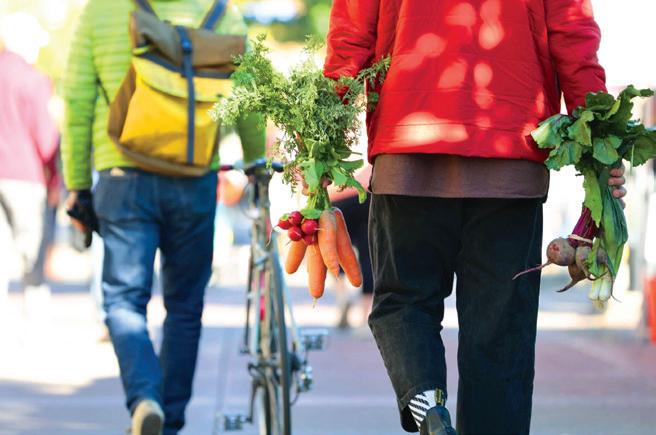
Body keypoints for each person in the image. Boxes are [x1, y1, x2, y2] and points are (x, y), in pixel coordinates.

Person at [323, 1, 627, 434]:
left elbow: (351, 36)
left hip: (409, 149)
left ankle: (427, 404)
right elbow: (573, 38)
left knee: (405, 301)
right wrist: (600, 144)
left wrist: (322, 138)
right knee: (501, 334)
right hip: (510, 158)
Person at [62, 1, 264, 434]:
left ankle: (144, 398)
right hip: (195, 177)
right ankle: (169, 423)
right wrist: (256, 164)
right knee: (185, 307)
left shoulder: (102, 11)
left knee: (123, 300)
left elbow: (77, 101)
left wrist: (77, 184)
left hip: (123, 173)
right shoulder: (221, 11)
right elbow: (248, 97)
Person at [0, 40, 59, 329]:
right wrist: (55, 177)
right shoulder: (32, 79)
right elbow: (45, 135)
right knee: (31, 251)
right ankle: (34, 321)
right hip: (24, 174)